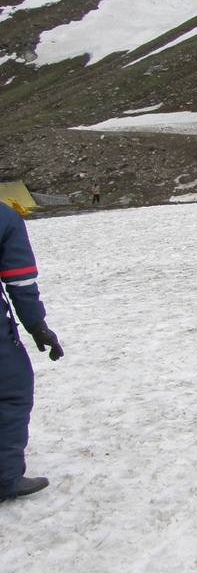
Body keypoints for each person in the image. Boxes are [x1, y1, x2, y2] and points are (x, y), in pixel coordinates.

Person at [1, 203, 64, 503]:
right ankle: (4, 478)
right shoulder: (4, 217)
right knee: (10, 391)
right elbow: (20, 278)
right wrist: (37, 326)